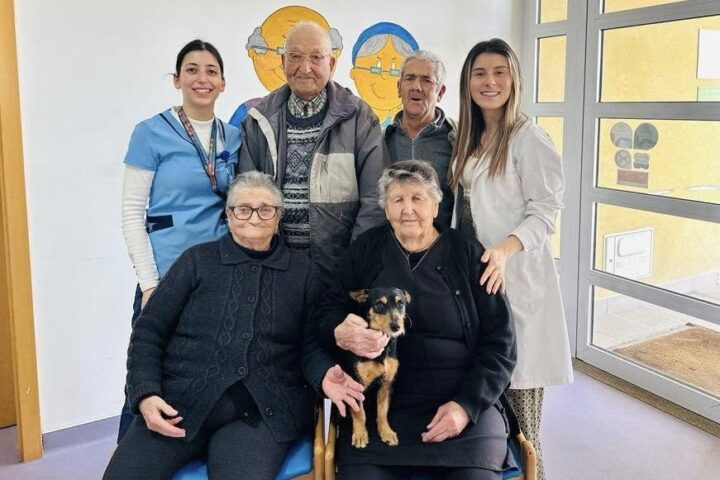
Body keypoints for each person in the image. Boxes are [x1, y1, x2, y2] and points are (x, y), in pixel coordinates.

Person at [104, 172, 365, 480]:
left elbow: (309, 344)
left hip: (261, 413)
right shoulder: (195, 261)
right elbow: (149, 331)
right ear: (228, 215)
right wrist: (146, 394)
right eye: (243, 209)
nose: (254, 217)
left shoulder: (304, 273)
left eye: (265, 209)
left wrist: (323, 374)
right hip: (179, 403)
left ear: (279, 216)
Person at [316, 160, 517, 480]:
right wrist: (339, 331)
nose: (407, 209)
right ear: (386, 209)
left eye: (418, 198)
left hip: (462, 404)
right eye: (397, 199)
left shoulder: (467, 253)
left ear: (436, 205)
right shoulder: (365, 250)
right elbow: (327, 310)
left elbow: (501, 343)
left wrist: (466, 406)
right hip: (382, 408)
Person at [449, 38, 574, 480]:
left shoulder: (529, 138)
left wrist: (504, 250)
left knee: (524, 426)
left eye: (499, 72)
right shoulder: (469, 137)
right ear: (467, 82)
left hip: (517, 282)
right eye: (480, 73)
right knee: (490, 410)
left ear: (514, 79)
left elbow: (547, 211)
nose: (490, 82)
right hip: (478, 284)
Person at [118, 39, 242, 441]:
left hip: (218, 277)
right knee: (147, 376)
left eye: (211, 71)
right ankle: (128, 456)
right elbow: (131, 213)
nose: (201, 79)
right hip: (166, 275)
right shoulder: (150, 133)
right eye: (191, 70)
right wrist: (149, 283)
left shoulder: (233, 137)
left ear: (223, 83)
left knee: (206, 371)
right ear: (176, 80)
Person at [239, 21, 389, 286]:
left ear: (331, 64)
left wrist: (353, 266)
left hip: (339, 276)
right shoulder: (258, 121)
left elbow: (375, 200)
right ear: (283, 61)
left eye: (316, 57)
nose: (305, 67)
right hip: (274, 273)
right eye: (295, 57)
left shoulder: (360, 119)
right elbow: (247, 202)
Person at [384, 50, 456, 226]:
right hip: (392, 239)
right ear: (399, 87)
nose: (416, 86)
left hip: (443, 239)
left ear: (440, 92)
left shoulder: (457, 138)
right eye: (409, 78)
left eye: (426, 80)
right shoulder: (381, 140)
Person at [349, 22, 419, 128]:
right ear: (354, 73)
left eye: (394, 71)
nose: (384, 76)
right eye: (375, 69)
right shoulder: (349, 117)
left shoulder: (408, 124)